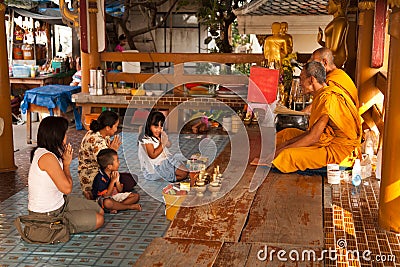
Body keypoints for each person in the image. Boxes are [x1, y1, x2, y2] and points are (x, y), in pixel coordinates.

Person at [272, 61, 361, 173]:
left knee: (287, 155)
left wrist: (283, 149)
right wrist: (286, 143)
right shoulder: (321, 94)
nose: (300, 83)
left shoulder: (329, 98)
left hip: (339, 153)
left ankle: (273, 160)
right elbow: (312, 133)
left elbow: (313, 137)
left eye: (301, 79)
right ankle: (272, 156)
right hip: (326, 141)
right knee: (286, 134)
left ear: (312, 80)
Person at [28, 116, 104, 234]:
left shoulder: (49, 151)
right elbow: (67, 188)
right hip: (48, 214)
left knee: (99, 210)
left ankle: (68, 218)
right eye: (65, 134)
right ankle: (57, 227)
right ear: (57, 136)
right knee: (99, 219)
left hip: (61, 203)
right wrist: (66, 164)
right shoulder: (47, 157)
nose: (66, 138)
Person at [78, 110, 136, 199]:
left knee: (130, 178)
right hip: (94, 177)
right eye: (116, 127)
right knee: (129, 181)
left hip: (98, 172)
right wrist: (113, 150)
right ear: (108, 127)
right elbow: (106, 164)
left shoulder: (97, 133)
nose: (116, 130)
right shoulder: (97, 141)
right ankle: (93, 193)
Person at [138, 111, 189, 182]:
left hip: (165, 161)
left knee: (186, 171)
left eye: (161, 126)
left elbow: (169, 145)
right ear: (148, 125)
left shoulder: (158, 134)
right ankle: (165, 177)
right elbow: (152, 155)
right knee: (183, 174)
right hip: (155, 168)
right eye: (156, 127)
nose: (158, 129)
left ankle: (167, 175)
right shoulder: (146, 139)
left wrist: (164, 138)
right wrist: (163, 143)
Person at [92, 149, 141, 213]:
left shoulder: (114, 173)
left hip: (114, 197)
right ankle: (130, 206)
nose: (119, 162)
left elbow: (120, 190)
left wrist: (117, 181)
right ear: (109, 166)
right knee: (107, 203)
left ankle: (117, 207)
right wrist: (112, 181)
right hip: (103, 200)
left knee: (136, 196)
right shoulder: (100, 178)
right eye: (117, 160)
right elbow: (106, 196)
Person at [317, 0, 349, 67]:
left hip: (336, 58)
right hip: (331, 56)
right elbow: (330, 47)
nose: (326, 7)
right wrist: (320, 42)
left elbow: (334, 49)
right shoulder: (336, 21)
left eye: (329, 4)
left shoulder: (340, 21)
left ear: (338, 5)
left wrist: (319, 56)